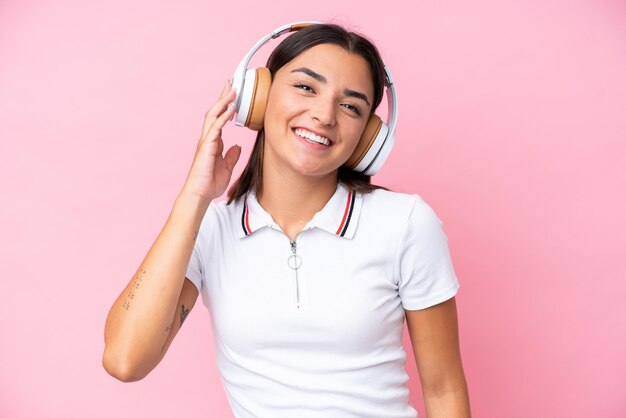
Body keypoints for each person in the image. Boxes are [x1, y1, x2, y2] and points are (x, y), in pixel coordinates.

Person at [103, 22, 471, 418]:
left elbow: (444, 390)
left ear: (367, 137)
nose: (324, 115)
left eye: (350, 106)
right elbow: (126, 360)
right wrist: (194, 197)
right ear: (257, 98)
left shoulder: (406, 224)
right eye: (306, 87)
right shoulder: (210, 227)